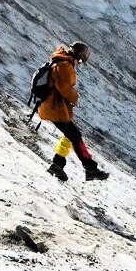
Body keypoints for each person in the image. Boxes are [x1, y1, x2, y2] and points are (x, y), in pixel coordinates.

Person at [38, 41, 109, 182]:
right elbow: (64, 88)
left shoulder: (61, 62)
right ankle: (90, 168)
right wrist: (75, 98)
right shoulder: (64, 66)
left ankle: (57, 165)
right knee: (75, 136)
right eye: (80, 60)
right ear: (76, 55)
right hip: (54, 108)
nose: (79, 63)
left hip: (54, 106)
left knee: (70, 135)